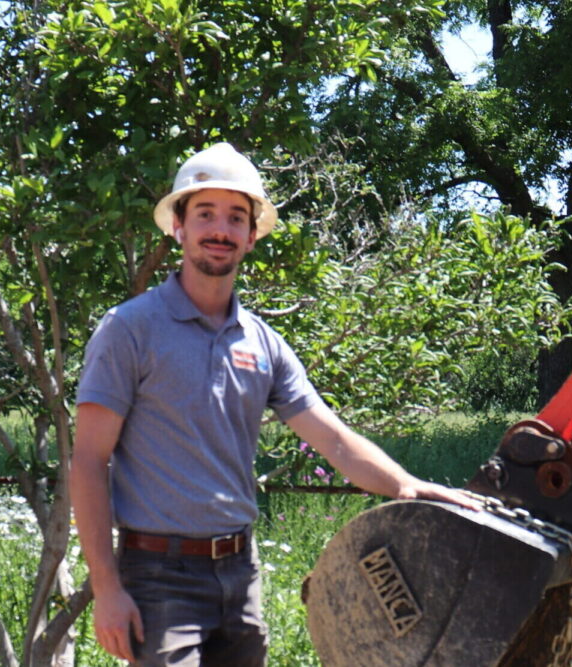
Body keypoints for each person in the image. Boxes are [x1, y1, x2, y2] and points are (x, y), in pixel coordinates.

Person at [69, 142, 480, 666]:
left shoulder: (262, 344)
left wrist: (408, 486)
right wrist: (107, 589)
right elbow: (87, 460)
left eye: (235, 217)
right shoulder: (129, 330)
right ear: (178, 226)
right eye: (205, 214)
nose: (220, 229)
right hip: (157, 576)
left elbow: (332, 438)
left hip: (240, 573)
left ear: (251, 235)